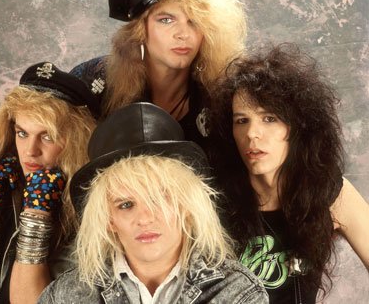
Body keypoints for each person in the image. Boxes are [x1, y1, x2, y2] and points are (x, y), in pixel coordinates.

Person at [38, 102, 269, 303]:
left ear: (187, 206)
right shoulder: (65, 295)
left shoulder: (238, 292)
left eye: (158, 200)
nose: (145, 218)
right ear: (108, 220)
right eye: (125, 205)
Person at [211, 43, 369, 304]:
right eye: (241, 120)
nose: (252, 133)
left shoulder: (328, 191)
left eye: (269, 118)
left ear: (297, 126)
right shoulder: (212, 199)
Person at [70, 0, 247, 151]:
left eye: (194, 21)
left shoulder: (223, 94)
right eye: (166, 20)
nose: (183, 34)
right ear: (140, 30)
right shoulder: (92, 81)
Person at [0, 62, 96, 304]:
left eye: (47, 136)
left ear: (76, 140)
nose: (30, 151)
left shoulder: (91, 209)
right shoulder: (9, 190)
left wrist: (36, 215)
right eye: (22, 133)